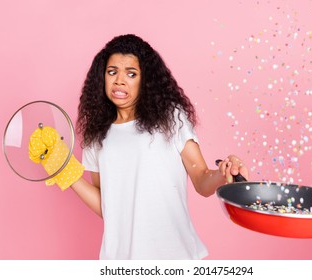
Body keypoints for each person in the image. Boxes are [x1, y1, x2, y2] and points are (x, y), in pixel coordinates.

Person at [45, 34, 248, 259]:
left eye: (131, 74)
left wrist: (223, 173)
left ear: (145, 80)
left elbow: (201, 180)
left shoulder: (171, 118)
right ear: (102, 77)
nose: (119, 80)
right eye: (112, 72)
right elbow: (108, 206)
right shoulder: (96, 134)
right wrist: (66, 171)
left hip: (175, 256)